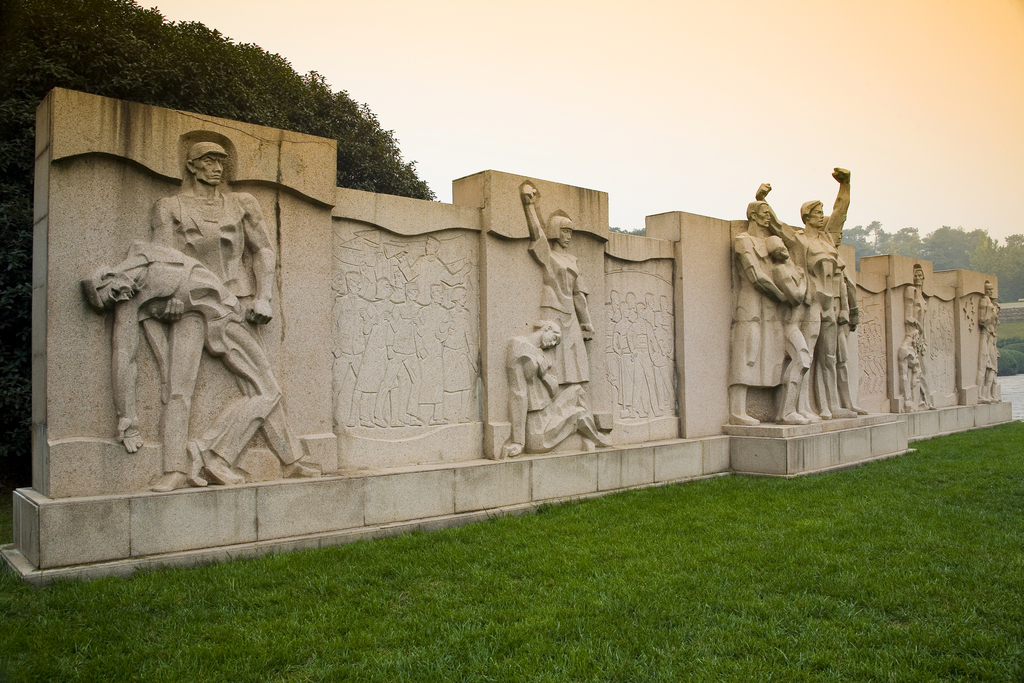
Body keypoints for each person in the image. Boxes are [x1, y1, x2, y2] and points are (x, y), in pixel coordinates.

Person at [83, 241, 319, 492]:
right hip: (189, 320)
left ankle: (235, 454)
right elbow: (124, 359)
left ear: (108, 276)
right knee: (177, 393)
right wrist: (127, 418)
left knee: (267, 389)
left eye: (111, 294)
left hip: (223, 310)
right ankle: (176, 470)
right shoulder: (128, 306)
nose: (119, 300)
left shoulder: (143, 252)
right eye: (111, 303)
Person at [147, 141, 296, 485]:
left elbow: (263, 251)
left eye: (221, 162)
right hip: (190, 306)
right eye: (208, 161)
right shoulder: (170, 207)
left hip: (234, 304)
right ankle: (174, 470)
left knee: (263, 385)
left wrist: (264, 296)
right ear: (192, 166)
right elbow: (162, 260)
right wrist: (173, 295)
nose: (217, 167)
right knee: (178, 389)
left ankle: (277, 457)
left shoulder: (242, 204)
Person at [519, 182, 595, 385]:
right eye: (565, 231)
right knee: (554, 357)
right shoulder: (549, 256)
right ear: (555, 231)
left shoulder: (573, 260)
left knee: (574, 360)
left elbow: (579, 295)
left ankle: (571, 398)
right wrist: (529, 206)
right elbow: (537, 234)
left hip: (570, 313)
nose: (568, 236)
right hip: (553, 311)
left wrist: (586, 322)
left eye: (571, 232)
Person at [500, 321, 610, 458]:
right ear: (548, 328)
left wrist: (544, 374)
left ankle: (591, 435)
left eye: (556, 343)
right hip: (537, 428)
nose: (553, 344)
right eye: (554, 338)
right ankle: (596, 439)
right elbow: (518, 394)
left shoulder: (542, 353)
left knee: (578, 391)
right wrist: (518, 442)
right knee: (579, 413)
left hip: (548, 411)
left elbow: (553, 391)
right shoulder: (517, 345)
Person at [898, 264, 935, 411]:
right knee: (918, 371)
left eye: (921, 276)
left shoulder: (921, 295)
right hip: (912, 336)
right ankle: (921, 401)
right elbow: (909, 316)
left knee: (923, 371)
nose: (918, 278)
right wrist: (918, 327)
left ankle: (924, 401)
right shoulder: (911, 291)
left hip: (920, 338)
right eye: (916, 275)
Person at [977, 280, 1000, 403]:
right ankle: (980, 395)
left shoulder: (991, 304)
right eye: (988, 289)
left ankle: (989, 394)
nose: (990, 292)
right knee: (983, 365)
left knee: (992, 368)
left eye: (992, 290)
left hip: (991, 338)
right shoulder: (984, 302)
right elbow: (982, 320)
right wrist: (990, 313)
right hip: (985, 336)